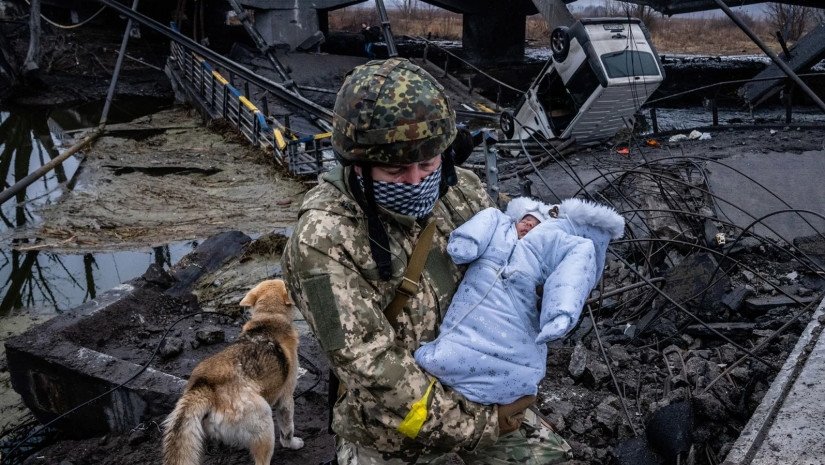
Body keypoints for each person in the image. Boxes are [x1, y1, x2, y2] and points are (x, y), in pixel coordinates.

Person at [283, 58, 572, 464]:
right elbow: (372, 369)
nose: (416, 181)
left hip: (480, 387)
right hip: (395, 430)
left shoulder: (460, 192)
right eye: (395, 169)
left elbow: (518, 260)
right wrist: (486, 424)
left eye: (427, 164)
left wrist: (556, 247)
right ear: (356, 165)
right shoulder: (324, 240)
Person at [414, 197, 625, 405]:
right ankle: (447, 366)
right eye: (525, 219)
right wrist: (467, 242)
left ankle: (508, 387)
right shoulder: (498, 225)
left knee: (520, 357)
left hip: (516, 306)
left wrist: (561, 311)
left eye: (535, 224)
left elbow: (574, 268)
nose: (528, 224)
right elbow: (485, 220)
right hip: (477, 298)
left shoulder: (545, 244)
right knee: (458, 342)